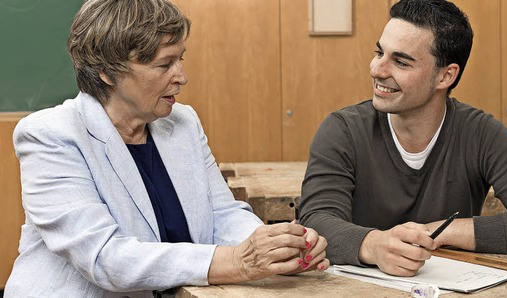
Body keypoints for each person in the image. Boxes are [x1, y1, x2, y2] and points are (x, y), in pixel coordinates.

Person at [4, 0, 329, 296]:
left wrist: (281, 247)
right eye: (164, 65)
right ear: (106, 71)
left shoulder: (182, 122)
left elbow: (222, 215)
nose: (182, 77)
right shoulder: (51, 135)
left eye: (180, 59)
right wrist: (236, 261)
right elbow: (106, 258)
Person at [298, 0, 507, 277]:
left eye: (401, 62)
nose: (378, 70)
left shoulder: (480, 133)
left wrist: (439, 231)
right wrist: (373, 246)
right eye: (379, 52)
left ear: (446, 76)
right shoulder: (343, 130)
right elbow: (315, 222)